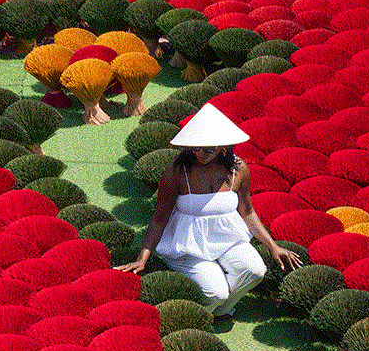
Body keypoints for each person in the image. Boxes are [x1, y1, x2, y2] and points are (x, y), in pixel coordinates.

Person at [116, 104, 303, 322]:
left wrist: (273, 246)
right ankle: (200, 314)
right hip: (188, 246)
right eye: (195, 148)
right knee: (216, 291)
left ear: (223, 147)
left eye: (208, 150)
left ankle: (217, 310)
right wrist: (143, 258)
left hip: (228, 239)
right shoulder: (177, 171)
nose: (200, 154)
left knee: (255, 270)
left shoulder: (239, 169)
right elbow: (160, 217)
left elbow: (247, 211)